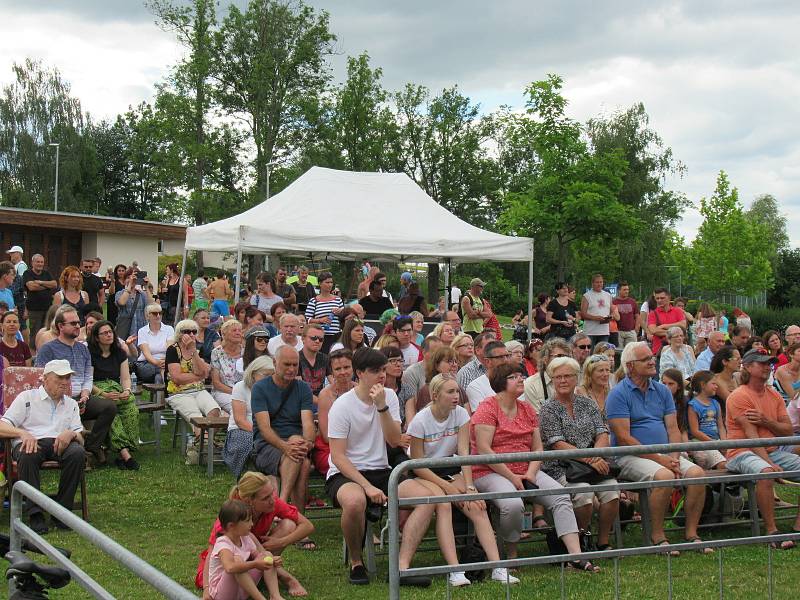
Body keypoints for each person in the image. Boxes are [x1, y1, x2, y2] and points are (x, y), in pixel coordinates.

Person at [471, 362, 598, 571]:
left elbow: (538, 447)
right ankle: (511, 554)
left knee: (560, 496)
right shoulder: (488, 407)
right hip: (490, 470)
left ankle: (576, 556)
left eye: (520, 375)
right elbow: (484, 450)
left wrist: (530, 473)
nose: (521, 379)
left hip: (526, 470)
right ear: (500, 383)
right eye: (513, 377)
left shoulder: (527, 409)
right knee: (512, 504)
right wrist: (512, 477)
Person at [325, 347, 434, 586]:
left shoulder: (389, 397)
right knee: (355, 502)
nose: (382, 375)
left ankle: (401, 567)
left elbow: (395, 440)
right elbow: (338, 457)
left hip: (382, 470)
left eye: (384, 370)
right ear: (360, 373)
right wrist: (365, 486)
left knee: (427, 499)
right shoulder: (342, 406)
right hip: (345, 473)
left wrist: (382, 406)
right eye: (376, 371)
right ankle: (357, 562)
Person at [408, 373, 518, 586]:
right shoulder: (420, 420)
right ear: (435, 395)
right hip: (425, 471)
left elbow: (464, 453)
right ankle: (455, 570)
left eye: (457, 391)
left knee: (477, 505)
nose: (456, 395)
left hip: (451, 466)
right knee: (444, 505)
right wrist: (448, 488)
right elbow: (417, 463)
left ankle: (497, 567)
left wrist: (469, 486)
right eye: (450, 391)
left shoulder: (460, 414)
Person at [606, 341, 709, 555]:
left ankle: (691, 534)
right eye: (645, 359)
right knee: (664, 476)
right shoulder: (618, 394)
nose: (653, 361)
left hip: (663, 454)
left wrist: (673, 456)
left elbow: (673, 428)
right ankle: (657, 535)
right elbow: (624, 438)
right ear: (630, 366)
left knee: (698, 474)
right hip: (628, 456)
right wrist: (661, 460)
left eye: (652, 357)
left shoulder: (662, 390)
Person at [539, 357, 620, 550]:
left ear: (577, 378)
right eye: (558, 377)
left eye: (567, 376)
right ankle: (581, 539)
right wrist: (590, 458)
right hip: (561, 466)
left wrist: (596, 455)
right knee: (583, 495)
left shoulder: (588, 404)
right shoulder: (548, 409)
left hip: (593, 463)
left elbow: (602, 432)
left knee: (612, 492)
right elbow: (557, 444)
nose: (563, 381)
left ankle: (603, 541)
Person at [0, 359, 86, 534]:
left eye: (67, 378)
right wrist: (22, 433)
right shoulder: (27, 398)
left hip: (60, 443)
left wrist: (72, 434)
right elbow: (2, 425)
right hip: (31, 442)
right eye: (60, 377)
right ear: (45, 379)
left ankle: (62, 512)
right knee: (28, 453)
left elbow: (81, 436)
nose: (64, 382)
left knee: (78, 452)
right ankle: (35, 513)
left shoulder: (71, 404)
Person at [725, 348, 800, 547]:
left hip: (770, 451)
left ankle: (798, 527)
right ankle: (771, 533)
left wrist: (767, 421)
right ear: (747, 367)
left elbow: (787, 432)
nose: (768, 367)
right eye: (762, 363)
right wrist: (769, 465)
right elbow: (751, 438)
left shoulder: (774, 395)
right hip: (741, 452)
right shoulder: (739, 396)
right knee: (765, 473)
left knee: (769, 468)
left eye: (769, 363)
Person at [198, 472, 312, 599]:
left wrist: (280, 543)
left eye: (272, 493)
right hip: (225, 571)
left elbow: (308, 526)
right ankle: (283, 579)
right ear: (249, 501)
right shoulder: (232, 517)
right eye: (265, 498)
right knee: (238, 562)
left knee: (287, 527)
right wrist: (206, 589)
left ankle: (275, 595)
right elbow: (214, 555)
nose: (273, 500)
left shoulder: (248, 534)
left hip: (247, 558)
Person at [35, 306, 117, 466]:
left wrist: (86, 395)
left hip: (82, 396)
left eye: (78, 323)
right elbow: (41, 378)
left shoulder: (83, 349)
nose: (78, 326)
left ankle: (91, 446)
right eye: (72, 323)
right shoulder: (48, 349)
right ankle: (81, 451)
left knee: (109, 407)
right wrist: (66, 398)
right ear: (60, 326)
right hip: (58, 399)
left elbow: (88, 376)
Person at [252, 346, 315, 516]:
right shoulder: (260, 388)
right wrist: (286, 446)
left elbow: (308, 423)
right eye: (287, 364)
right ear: (274, 362)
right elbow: (264, 429)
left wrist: (308, 443)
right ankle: (293, 514)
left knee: (297, 444)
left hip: (297, 445)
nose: (292, 369)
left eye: (295, 365)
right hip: (267, 445)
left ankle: (282, 505)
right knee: (302, 461)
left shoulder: (303, 388)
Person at [88, 320, 140, 471]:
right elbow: (88, 382)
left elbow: (125, 378)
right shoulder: (91, 354)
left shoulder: (120, 353)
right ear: (97, 337)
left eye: (110, 331)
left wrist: (127, 391)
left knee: (131, 408)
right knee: (112, 412)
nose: (109, 335)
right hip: (98, 389)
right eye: (104, 333)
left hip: (116, 387)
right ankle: (125, 454)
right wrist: (103, 393)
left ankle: (124, 449)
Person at [203, 499, 281, 600]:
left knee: (266, 554)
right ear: (231, 526)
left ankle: (275, 596)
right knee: (237, 561)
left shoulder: (245, 538)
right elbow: (230, 567)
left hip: (240, 591)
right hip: (222, 595)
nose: (252, 524)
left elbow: (259, 557)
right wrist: (256, 564)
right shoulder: (223, 543)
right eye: (247, 521)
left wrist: (271, 560)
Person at [166, 319, 222, 443]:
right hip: (178, 393)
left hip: (198, 389)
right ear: (179, 334)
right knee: (196, 416)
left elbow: (204, 373)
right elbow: (177, 378)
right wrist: (198, 377)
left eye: (194, 331)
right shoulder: (172, 350)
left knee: (215, 411)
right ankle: (207, 444)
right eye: (187, 331)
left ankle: (201, 442)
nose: (192, 334)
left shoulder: (196, 349)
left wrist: (193, 352)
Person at [224, 356, 275, 479]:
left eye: (272, 375)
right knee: (248, 441)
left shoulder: (273, 389)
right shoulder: (240, 387)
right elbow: (240, 420)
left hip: (267, 428)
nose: (270, 379)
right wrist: (263, 432)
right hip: (241, 429)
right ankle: (250, 471)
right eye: (266, 375)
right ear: (253, 374)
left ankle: (267, 468)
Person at [314, 349, 356, 477]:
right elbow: (326, 435)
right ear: (331, 371)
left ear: (353, 367)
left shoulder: (360, 390)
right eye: (338, 369)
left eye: (347, 367)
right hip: (331, 447)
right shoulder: (326, 395)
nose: (343, 372)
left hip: (357, 445)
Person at [683, 370, 728, 470]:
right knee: (722, 464)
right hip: (702, 442)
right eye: (713, 384)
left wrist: (724, 442)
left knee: (732, 459)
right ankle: (718, 484)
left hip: (717, 441)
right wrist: (713, 443)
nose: (716, 387)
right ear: (703, 385)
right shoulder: (693, 405)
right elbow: (695, 431)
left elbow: (720, 426)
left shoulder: (715, 403)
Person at [523, 337, 571, 410]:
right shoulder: (532, 384)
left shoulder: (573, 381)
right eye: (559, 356)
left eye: (566, 357)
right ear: (545, 360)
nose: (563, 360)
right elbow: (536, 418)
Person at [466, 340, 511, 412]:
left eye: (507, 356)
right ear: (488, 361)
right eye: (500, 357)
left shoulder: (516, 381)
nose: (506, 360)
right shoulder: (476, 387)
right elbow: (481, 417)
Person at [211, 320, 245, 414]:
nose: (238, 333)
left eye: (240, 330)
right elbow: (216, 383)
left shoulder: (246, 352)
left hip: (245, 392)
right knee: (239, 409)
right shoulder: (216, 353)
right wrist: (236, 392)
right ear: (224, 334)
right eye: (234, 330)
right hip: (224, 392)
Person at [134, 304, 174, 384]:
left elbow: (170, 349)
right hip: (146, 363)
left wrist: (165, 362)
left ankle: (160, 392)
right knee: (164, 369)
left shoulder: (169, 329)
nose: (158, 316)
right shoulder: (142, 331)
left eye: (160, 313)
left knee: (158, 377)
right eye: (155, 313)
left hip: (165, 362)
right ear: (147, 316)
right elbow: (146, 354)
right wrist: (157, 363)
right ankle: (168, 390)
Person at [304, 272, 343, 353]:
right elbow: (307, 320)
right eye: (327, 282)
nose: (330, 285)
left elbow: (344, 317)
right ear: (320, 284)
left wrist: (340, 311)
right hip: (320, 337)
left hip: (336, 336)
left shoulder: (338, 299)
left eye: (331, 282)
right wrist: (320, 320)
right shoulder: (313, 301)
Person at [22, 253, 57, 340]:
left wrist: (41, 282)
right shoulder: (27, 273)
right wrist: (47, 286)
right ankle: (34, 353)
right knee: (34, 333)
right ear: (32, 262)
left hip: (47, 309)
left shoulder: (46, 273)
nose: (40, 264)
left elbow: (54, 284)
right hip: (34, 310)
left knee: (47, 332)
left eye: (42, 262)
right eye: (38, 262)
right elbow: (32, 287)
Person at [116, 267, 153, 340]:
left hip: (140, 328)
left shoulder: (142, 294)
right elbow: (122, 303)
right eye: (128, 278)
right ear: (124, 281)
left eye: (133, 278)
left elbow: (151, 305)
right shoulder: (120, 293)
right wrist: (130, 285)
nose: (131, 279)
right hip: (126, 329)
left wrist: (146, 286)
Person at [646, 288, 687, 356]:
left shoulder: (677, 311)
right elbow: (653, 330)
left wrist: (664, 326)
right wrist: (675, 333)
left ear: (669, 297)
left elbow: (683, 325)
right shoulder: (653, 314)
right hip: (660, 350)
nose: (659, 300)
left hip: (678, 349)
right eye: (657, 298)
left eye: (662, 298)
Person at [581, 273, 617, 347]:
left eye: (601, 282)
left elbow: (610, 310)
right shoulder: (587, 296)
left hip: (604, 331)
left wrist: (611, 316)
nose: (599, 284)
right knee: (589, 354)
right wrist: (595, 318)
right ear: (592, 283)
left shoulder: (608, 295)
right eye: (597, 282)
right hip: (590, 331)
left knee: (603, 354)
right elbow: (583, 314)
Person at [297, 323, 328, 405]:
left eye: (321, 339)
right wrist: (323, 403)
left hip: (321, 400)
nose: (317, 341)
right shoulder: (296, 359)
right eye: (313, 338)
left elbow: (333, 382)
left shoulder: (325, 358)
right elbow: (301, 390)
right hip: (302, 402)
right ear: (303, 339)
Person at [576, 353, 614, 419]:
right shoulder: (580, 393)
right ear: (590, 373)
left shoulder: (612, 392)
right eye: (601, 370)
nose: (605, 374)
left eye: (607, 370)